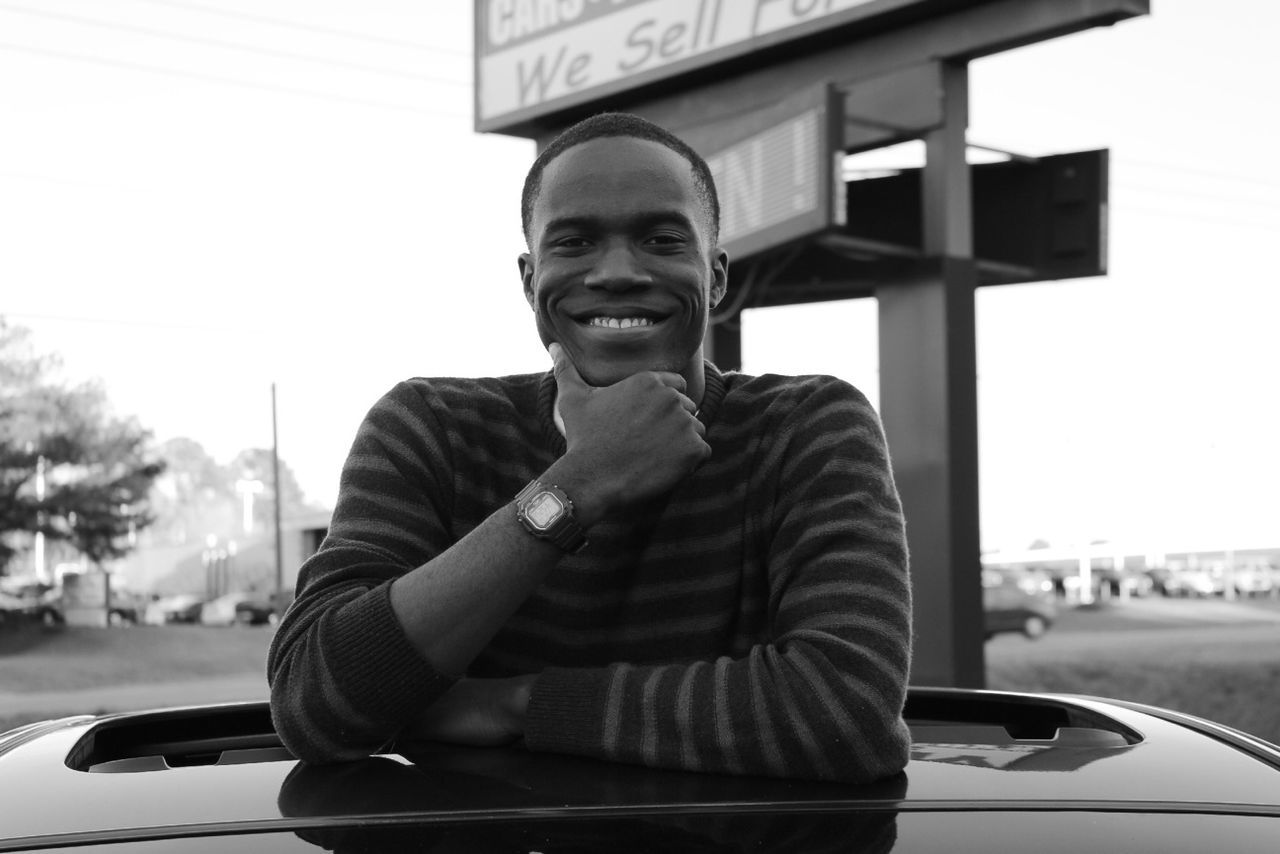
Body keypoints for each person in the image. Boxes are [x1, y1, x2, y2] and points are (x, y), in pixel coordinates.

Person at [267, 112, 912, 783]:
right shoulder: (431, 428)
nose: (616, 272)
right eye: (574, 243)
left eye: (662, 240)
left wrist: (517, 704)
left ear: (715, 276)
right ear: (529, 278)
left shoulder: (807, 426)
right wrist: (578, 485)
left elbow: (846, 713)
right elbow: (315, 704)